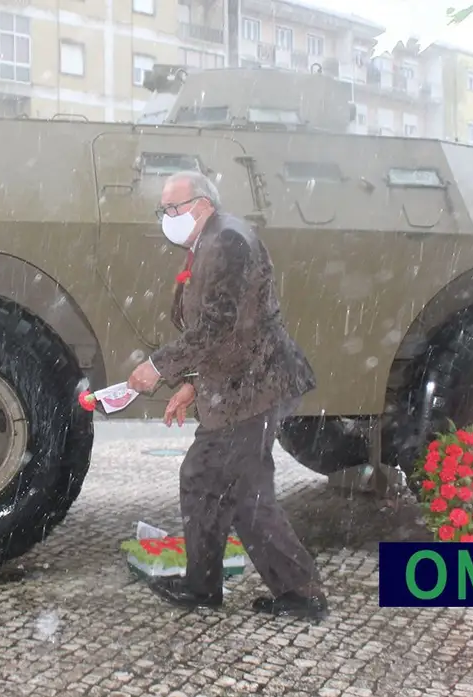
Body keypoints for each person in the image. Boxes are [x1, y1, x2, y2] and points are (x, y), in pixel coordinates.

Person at [126, 170, 326, 621]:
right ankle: (214, 586)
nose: (165, 217)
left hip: (257, 385)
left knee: (235, 489)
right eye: (163, 209)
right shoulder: (211, 242)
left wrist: (158, 367)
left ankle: (293, 592)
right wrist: (193, 384)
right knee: (212, 482)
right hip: (241, 384)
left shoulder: (227, 241)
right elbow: (231, 328)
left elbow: (218, 326)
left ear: (201, 205)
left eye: (171, 208)